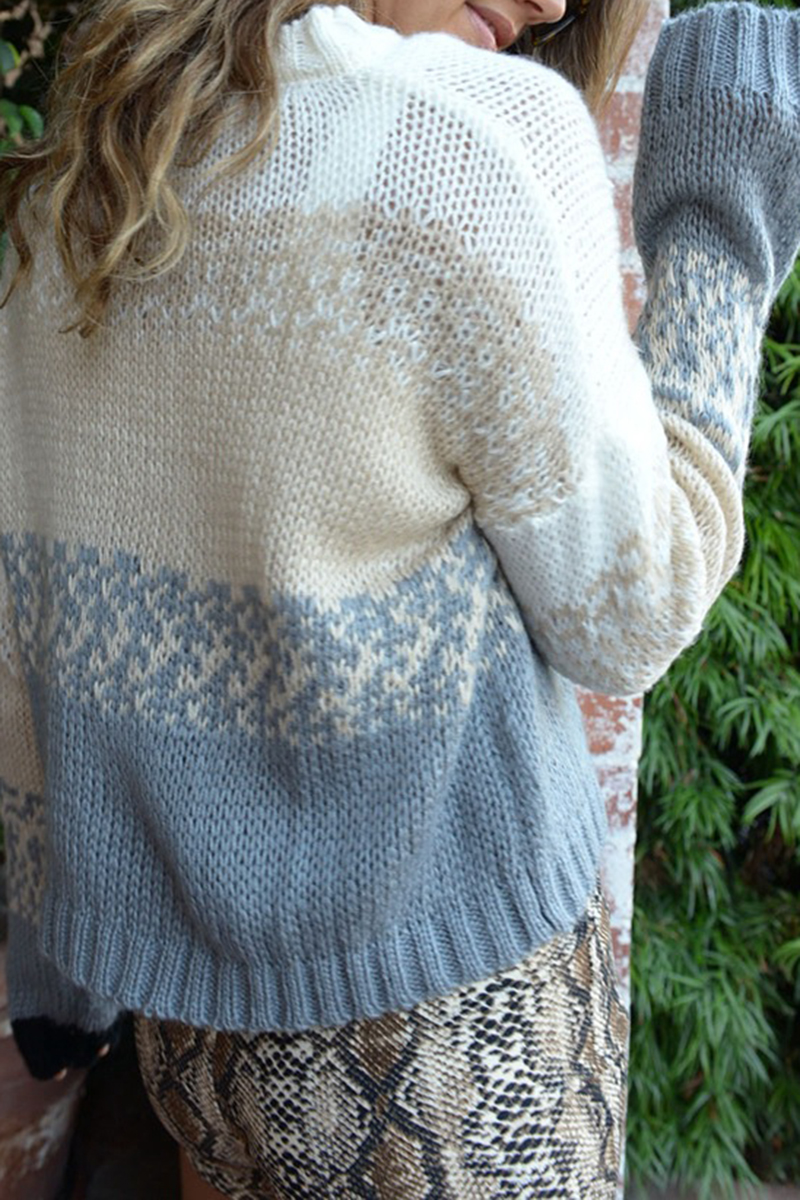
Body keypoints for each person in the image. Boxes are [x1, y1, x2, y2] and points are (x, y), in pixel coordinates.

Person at [1, 0, 799, 1195]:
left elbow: (36, 628)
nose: (553, 4)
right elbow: (632, 612)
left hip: (190, 1041)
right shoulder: (470, 141)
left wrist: (55, 965)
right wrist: (718, 226)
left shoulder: (104, 148)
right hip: (446, 1048)